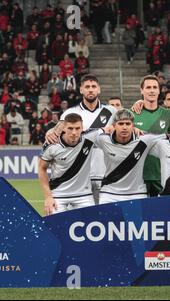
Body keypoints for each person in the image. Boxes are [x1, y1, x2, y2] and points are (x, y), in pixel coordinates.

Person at [45, 74, 117, 204]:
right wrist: (50, 131)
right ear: (81, 90)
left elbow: (127, 126)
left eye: (93, 86)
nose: (90, 89)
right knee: (83, 219)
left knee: (108, 218)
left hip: (107, 174)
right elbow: (56, 131)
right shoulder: (71, 113)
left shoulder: (111, 111)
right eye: (87, 87)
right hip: (81, 177)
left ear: (99, 89)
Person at [97, 109, 165, 204]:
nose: (124, 127)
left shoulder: (145, 139)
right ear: (113, 126)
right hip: (109, 193)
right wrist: (102, 129)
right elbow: (83, 136)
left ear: (133, 126)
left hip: (137, 193)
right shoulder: (103, 139)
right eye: (121, 124)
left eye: (128, 124)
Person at [38, 113, 101, 215]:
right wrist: (48, 197)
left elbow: (111, 128)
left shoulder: (90, 137)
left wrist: (135, 129)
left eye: (77, 128)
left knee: (91, 226)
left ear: (82, 128)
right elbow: (41, 168)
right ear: (64, 128)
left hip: (83, 195)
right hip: (58, 194)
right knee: (53, 228)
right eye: (70, 128)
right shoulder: (52, 144)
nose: (74, 132)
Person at [131, 75, 170, 197]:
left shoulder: (168, 115)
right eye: (148, 87)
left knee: (162, 214)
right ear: (141, 90)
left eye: (155, 87)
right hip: (137, 177)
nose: (152, 90)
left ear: (159, 90)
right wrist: (132, 128)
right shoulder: (131, 114)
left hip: (161, 175)